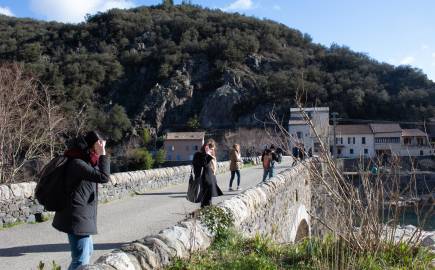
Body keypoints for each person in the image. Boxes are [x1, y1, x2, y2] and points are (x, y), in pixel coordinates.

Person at [52, 131, 110, 270]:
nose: (101, 146)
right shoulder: (77, 163)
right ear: (91, 146)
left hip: (82, 217)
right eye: (98, 143)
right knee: (80, 260)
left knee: (87, 252)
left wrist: (99, 153)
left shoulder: (85, 160)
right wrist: (102, 153)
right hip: (77, 218)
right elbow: (103, 177)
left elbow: (97, 172)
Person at [192, 139, 223, 207]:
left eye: (213, 149)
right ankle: (205, 214)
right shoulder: (198, 155)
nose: (212, 151)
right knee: (205, 201)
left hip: (211, 179)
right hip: (204, 180)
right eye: (210, 149)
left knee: (208, 200)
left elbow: (213, 168)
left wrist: (210, 156)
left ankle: (207, 214)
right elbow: (202, 164)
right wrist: (207, 155)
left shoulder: (211, 156)